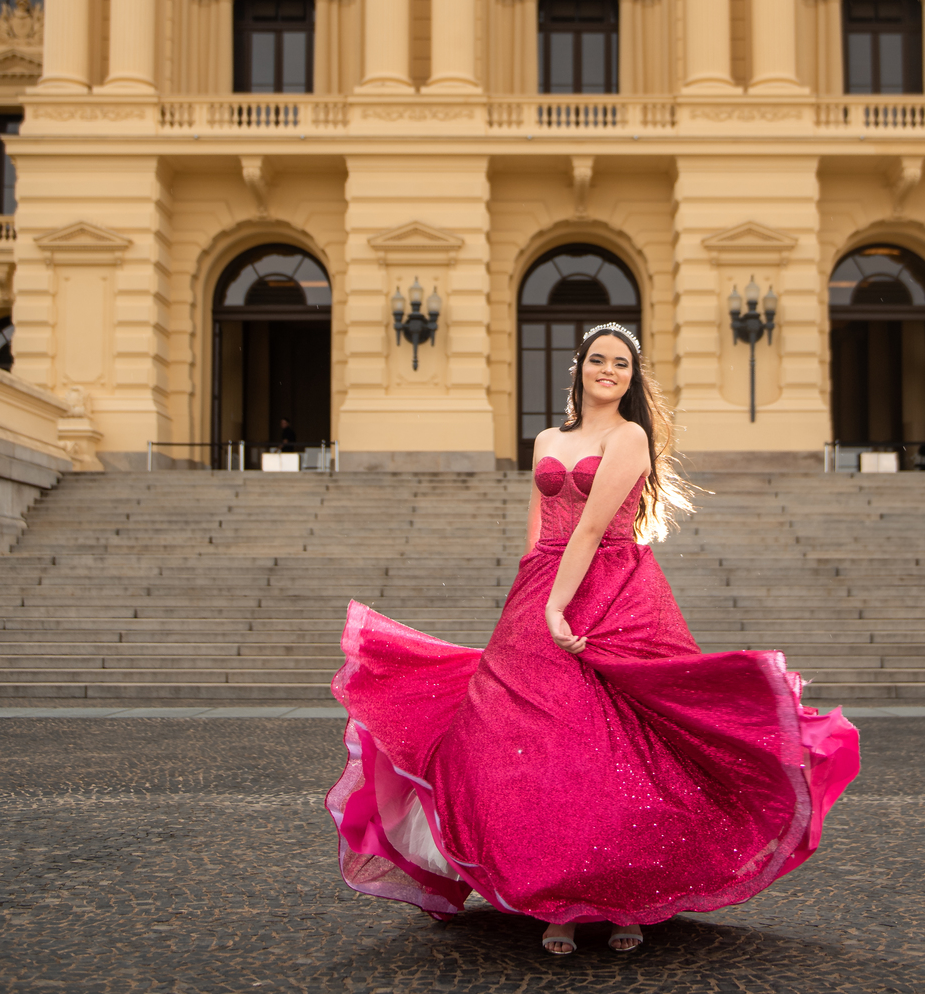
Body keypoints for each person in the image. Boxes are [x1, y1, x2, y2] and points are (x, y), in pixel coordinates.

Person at [326, 323, 859, 955]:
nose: (609, 371)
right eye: (599, 360)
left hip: (610, 590)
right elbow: (538, 526)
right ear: (579, 368)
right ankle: (556, 898)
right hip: (543, 589)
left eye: (622, 365)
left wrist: (557, 605)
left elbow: (590, 529)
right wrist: (527, 603)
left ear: (632, 380)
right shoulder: (549, 439)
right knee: (531, 744)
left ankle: (628, 900)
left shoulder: (631, 436)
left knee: (621, 748)